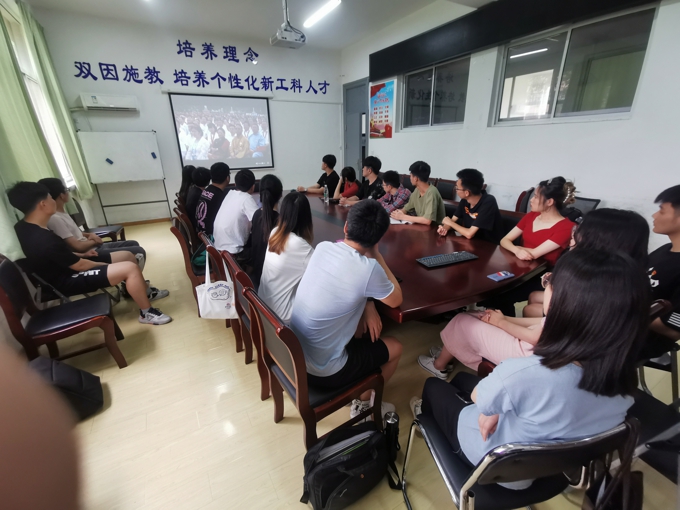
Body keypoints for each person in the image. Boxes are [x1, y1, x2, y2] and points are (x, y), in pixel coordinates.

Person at [411, 249, 648, 490]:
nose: (546, 286)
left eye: (549, 281)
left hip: (490, 464)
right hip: (550, 469)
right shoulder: (626, 384)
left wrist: (494, 405)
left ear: (562, 303)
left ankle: (427, 423)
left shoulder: (523, 373)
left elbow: (480, 397)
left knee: (433, 387)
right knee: (461, 379)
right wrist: (498, 403)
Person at [290, 200, 403, 419]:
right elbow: (396, 299)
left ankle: (361, 388)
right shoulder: (369, 269)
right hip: (325, 372)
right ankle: (365, 403)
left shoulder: (323, 247)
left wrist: (368, 304)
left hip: (297, 357)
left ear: (346, 227)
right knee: (396, 347)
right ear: (377, 239)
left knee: (358, 326)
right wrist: (377, 255)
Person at [8, 182, 171, 325]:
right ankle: (146, 313)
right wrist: (105, 265)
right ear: (43, 204)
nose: (53, 200)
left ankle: (139, 293)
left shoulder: (24, 227)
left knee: (128, 259)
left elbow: (55, 257)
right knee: (129, 267)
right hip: (65, 280)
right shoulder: (43, 238)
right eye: (50, 197)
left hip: (64, 270)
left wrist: (83, 255)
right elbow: (79, 266)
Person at [523, 208, 650, 317]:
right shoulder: (629, 270)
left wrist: (550, 285)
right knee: (533, 298)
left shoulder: (589, 271)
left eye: (581, 230)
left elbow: (552, 309)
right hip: (597, 324)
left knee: (528, 310)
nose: (575, 233)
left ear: (599, 239)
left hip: (575, 329)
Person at [482, 177, 576, 316]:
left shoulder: (567, 227)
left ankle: (504, 324)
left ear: (550, 202)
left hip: (541, 276)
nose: (531, 200)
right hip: (519, 268)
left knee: (501, 296)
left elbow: (534, 254)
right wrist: (516, 249)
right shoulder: (531, 216)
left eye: (536, 197)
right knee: (489, 287)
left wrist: (515, 248)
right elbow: (504, 240)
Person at [259, 192, 314, 324]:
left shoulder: (275, 232)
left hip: (263, 304)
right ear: (307, 218)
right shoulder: (302, 247)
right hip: (281, 315)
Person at [644, 185, 680, 359]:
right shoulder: (664, 250)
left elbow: (673, 330)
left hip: (644, 339)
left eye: (662, 211)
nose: (654, 215)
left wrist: (623, 313)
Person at [437, 169, 504, 244]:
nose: (456, 190)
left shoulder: (488, 201)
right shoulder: (465, 200)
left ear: (467, 193)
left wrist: (450, 223)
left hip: (490, 245)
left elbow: (469, 234)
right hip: (471, 243)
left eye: (457, 188)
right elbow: (453, 220)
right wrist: (444, 228)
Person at [213, 169, 258, 265]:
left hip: (219, 247)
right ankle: (252, 274)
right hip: (233, 253)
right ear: (253, 187)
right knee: (262, 249)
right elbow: (259, 221)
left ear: (235, 184)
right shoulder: (246, 198)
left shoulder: (230, 194)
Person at [249, 174, 283, 286]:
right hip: (271, 280)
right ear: (280, 195)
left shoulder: (256, 214)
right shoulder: (280, 221)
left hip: (257, 274)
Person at [390, 161, 445, 226]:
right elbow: (407, 208)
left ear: (415, 178)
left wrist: (403, 217)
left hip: (436, 229)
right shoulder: (417, 190)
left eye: (410, 176)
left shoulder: (432, 193)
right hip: (422, 227)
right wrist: (399, 213)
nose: (410, 178)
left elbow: (427, 220)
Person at [196, 163, 230, 236]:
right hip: (211, 236)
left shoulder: (206, 190)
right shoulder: (220, 197)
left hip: (202, 233)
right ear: (227, 178)